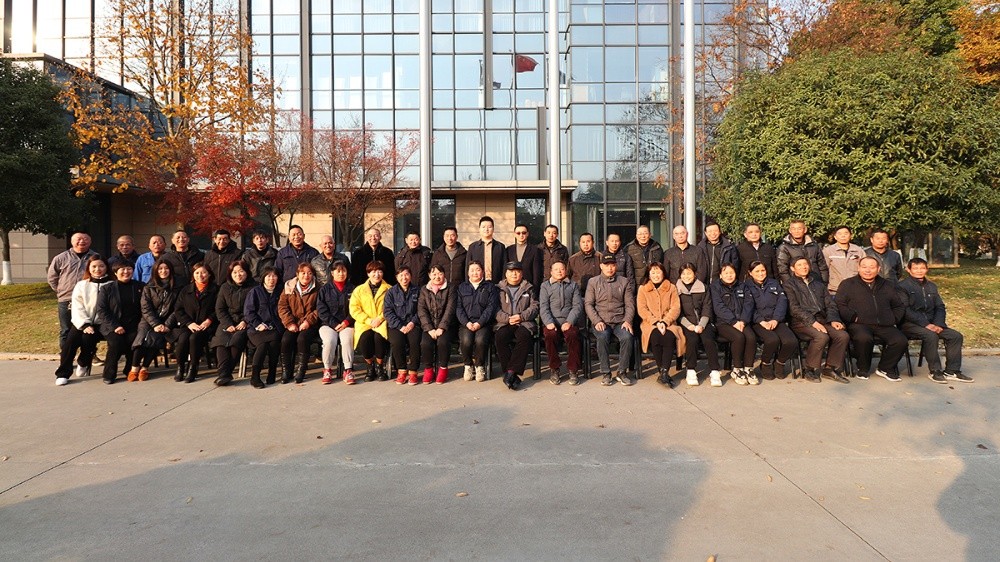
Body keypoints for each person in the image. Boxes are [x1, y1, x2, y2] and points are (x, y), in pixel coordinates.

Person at [898, 258, 971, 383]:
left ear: (927, 269)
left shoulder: (931, 286)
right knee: (930, 335)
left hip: (933, 323)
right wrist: (926, 324)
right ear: (908, 270)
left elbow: (940, 307)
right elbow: (905, 310)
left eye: (922, 268)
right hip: (910, 324)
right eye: (915, 268)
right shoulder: (902, 286)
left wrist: (938, 324)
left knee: (955, 336)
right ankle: (935, 371)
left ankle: (952, 371)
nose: (919, 271)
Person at [836, 256, 907, 381]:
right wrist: (853, 317)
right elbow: (840, 304)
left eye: (872, 267)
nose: (867, 270)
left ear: (878, 269)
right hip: (859, 323)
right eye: (864, 267)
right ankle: (863, 368)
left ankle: (885, 368)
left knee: (900, 340)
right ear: (858, 268)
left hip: (884, 323)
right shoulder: (847, 284)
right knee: (864, 338)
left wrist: (894, 319)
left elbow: (898, 305)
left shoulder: (887, 285)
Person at [784, 257, 850, 383]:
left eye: (805, 264)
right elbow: (794, 308)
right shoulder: (789, 285)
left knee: (842, 336)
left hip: (823, 319)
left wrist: (834, 319)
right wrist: (812, 322)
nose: (804, 267)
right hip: (801, 322)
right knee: (821, 337)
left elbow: (830, 304)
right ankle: (810, 369)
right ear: (792, 268)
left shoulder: (818, 284)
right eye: (799, 265)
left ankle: (829, 368)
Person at [54, 255, 113, 385]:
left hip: (103, 323)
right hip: (82, 321)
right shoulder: (82, 285)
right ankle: (63, 373)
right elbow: (77, 306)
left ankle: (83, 362)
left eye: (101, 266)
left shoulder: (112, 284)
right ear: (88, 268)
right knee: (70, 342)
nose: (97, 269)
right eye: (94, 266)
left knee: (88, 338)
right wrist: (85, 324)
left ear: (106, 268)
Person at [585, 254, 636, 387]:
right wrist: (597, 321)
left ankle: (622, 372)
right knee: (602, 337)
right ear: (601, 266)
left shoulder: (624, 281)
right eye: (606, 265)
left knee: (627, 337)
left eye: (612, 265)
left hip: (620, 321)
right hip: (601, 321)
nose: (610, 268)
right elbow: (588, 304)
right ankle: (606, 373)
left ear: (616, 266)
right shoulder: (593, 282)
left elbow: (630, 304)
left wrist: (627, 320)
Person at [746, 260, 798, 380]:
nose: (761, 273)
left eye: (763, 270)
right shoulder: (746, 286)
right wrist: (761, 321)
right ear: (750, 273)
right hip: (758, 322)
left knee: (791, 341)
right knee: (772, 340)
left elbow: (782, 301)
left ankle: (779, 363)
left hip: (775, 319)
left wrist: (776, 319)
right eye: (757, 271)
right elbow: (748, 307)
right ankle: (766, 363)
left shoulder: (774, 283)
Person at [637, 262, 684, 387]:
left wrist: (665, 321)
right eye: (653, 272)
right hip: (650, 323)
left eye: (658, 272)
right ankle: (662, 371)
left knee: (669, 336)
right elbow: (642, 309)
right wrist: (656, 322)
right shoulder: (643, 288)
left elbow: (675, 308)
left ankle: (664, 372)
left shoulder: (671, 287)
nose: (656, 275)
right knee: (655, 336)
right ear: (648, 274)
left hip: (669, 322)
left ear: (663, 273)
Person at [209, 260, 255, 386]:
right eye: (234, 272)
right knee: (221, 340)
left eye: (241, 271)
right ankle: (224, 374)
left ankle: (225, 373)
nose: (238, 275)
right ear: (230, 274)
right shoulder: (225, 287)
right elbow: (220, 309)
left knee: (237, 340)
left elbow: (256, 308)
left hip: (246, 322)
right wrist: (227, 324)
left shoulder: (254, 287)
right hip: (227, 322)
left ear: (247, 272)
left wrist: (245, 321)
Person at [47, 231, 97, 348]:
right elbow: (52, 277)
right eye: (78, 239)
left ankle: (88, 354)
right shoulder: (61, 258)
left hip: (88, 300)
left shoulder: (95, 258)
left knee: (88, 329)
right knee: (66, 329)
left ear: (90, 242)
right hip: (66, 299)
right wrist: (60, 291)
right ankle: (65, 355)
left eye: (85, 239)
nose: (82, 241)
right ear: (72, 241)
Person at [96, 262, 144, 383]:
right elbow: (101, 310)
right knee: (116, 342)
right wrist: (115, 326)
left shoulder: (140, 286)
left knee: (135, 340)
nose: (126, 272)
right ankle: (109, 374)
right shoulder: (107, 288)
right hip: (112, 325)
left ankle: (129, 370)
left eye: (129, 269)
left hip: (134, 325)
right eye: (122, 269)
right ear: (115, 272)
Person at [711, 263, 758, 386]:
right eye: (726, 273)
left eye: (731, 273)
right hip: (724, 323)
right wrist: (733, 321)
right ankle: (737, 369)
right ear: (720, 275)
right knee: (738, 337)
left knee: (751, 337)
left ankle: (748, 368)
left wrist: (743, 320)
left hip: (742, 321)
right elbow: (718, 307)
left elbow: (749, 304)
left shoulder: (742, 286)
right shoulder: (715, 287)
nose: (729, 275)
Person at [494, 261, 539, 390]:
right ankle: (511, 373)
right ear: (506, 274)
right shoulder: (498, 289)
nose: (514, 274)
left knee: (524, 337)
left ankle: (510, 372)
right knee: (500, 337)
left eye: (517, 271)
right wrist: (507, 319)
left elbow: (535, 307)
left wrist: (521, 316)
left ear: (522, 273)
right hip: (505, 322)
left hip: (524, 322)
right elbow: (494, 308)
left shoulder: (528, 288)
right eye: (511, 271)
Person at [171, 263, 218, 383]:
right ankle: (180, 367)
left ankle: (193, 367)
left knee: (194, 338)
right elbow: (178, 309)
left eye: (203, 272)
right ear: (193, 275)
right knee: (183, 339)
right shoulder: (186, 290)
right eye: (197, 273)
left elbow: (218, 309)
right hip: (188, 325)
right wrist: (188, 323)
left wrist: (209, 320)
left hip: (206, 326)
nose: (200, 275)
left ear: (209, 274)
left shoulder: (215, 290)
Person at [133, 259, 180, 380]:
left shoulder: (177, 288)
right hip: (148, 320)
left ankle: (145, 368)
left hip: (167, 321)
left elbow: (178, 309)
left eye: (166, 268)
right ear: (155, 271)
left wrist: (167, 324)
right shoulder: (149, 287)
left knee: (156, 338)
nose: (163, 271)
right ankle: (134, 367)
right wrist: (155, 324)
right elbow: (145, 308)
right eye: (160, 269)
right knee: (142, 338)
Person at [676, 263, 722, 387]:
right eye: (683, 274)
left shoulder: (703, 287)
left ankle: (715, 370)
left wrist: (701, 325)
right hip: (686, 323)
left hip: (704, 322)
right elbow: (677, 312)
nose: (686, 276)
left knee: (708, 340)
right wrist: (689, 325)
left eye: (689, 273)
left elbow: (707, 308)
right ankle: (691, 369)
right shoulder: (676, 289)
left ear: (695, 274)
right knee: (692, 340)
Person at [539, 261, 583, 385]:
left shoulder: (573, 285)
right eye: (556, 269)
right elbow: (543, 307)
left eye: (562, 269)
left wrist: (569, 321)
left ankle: (573, 370)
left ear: (566, 270)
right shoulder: (545, 286)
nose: (559, 271)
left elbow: (577, 306)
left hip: (568, 321)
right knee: (550, 335)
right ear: (551, 272)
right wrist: (549, 322)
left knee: (573, 335)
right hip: (551, 322)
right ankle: (554, 368)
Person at [456, 261, 499, 382]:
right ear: (468, 273)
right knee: (466, 341)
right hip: (466, 323)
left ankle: (479, 366)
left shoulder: (490, 287)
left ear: (483, 272)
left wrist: (480, 323)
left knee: (480, 340)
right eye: (472, 270)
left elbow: (491, 307)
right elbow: (458, 308)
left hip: (483, 323)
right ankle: (468, 365)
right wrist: (467, 323)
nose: (475, 273)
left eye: (478, 270)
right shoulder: (462, 287)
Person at [277, 262, 320, 384]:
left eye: (309, 273)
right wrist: (290, 323)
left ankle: (301, 370)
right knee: (286, 340)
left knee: (302, 339)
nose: (306, 276)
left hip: (310, 324)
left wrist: (308, 322)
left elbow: (319, 309)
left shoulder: (318, 288)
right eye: (303, 273)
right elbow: (282, 307)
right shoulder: (289, 287)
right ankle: (286, 371)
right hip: (293, 322)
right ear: (297, 274)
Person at [349, 260, 391, 382]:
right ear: (368, 273)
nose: (376, 274)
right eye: (373, 271)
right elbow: (354, 309)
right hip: (364, 322)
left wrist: (380, 318)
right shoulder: (359, 290)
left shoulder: (389, 289)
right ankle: (369, 366)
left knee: (379, 338)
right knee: (365, 338)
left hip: (382, 321)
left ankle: (380, 366)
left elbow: (391, 307)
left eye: (379, 271)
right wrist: (368, 320)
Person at [243, 267, 284, 388]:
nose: (271, 279)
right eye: (268, 276)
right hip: (256, 329)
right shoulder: (255, 292)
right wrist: (258, 324)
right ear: (263, 278)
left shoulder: (281, 291)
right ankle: (255, 376)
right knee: (263, 345)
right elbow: (248, 312)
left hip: (274, 327)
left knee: (274, 342)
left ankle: (272, 372)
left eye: (274, 276)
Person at [317, 260, 356, 384]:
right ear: (332, 273)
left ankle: (348, 370)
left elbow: (356, 309)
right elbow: (321, 310)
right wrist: (334, 324)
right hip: (328, 325)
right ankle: (327, 369)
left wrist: (346, 322)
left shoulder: (353, 289)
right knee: (329, 340)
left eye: (343, 271)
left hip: (347, 324)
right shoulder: (324, 290)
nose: (341, 274)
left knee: (347, 339)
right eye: (338, 271)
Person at [419, 264, 456, 384]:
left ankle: (443, 368)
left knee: (443, 342)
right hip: (429, 326)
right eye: (434, 274)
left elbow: (450, 309)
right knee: (425, 343)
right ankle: (428, 369)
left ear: (444, 274)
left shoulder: (451, 288)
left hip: (446, 326)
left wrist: (442, 327)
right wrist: (429, 328)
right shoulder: (424, 289)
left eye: (440, 273)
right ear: (429, 275)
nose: (437, 276)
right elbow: (422, 310)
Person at [384, 266, 421, 385]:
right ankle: (401, 370)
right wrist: (400, 326)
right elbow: (388, 312)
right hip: (396, 326)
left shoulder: (417, 291)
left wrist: (412, 323)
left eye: (406, 274)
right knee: (397, 342)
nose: (404, 278)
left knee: (415, 341)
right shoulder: (391, 292)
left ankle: (413, 372)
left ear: (410, 276)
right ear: (396, 277)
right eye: (401, 275)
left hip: (413, 324)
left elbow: (421, 310)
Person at [777, 220, 828, 284]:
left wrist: (824, 282)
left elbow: (822, 266)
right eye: (793, 229)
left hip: (816, 282)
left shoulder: (814, 245)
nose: (796, 231)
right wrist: (790, 285)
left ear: (805, 230)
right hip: (796, 284)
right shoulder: (784, 247)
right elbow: (782, 270)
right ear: (790, 230)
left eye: (799, 229)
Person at [822, 225, 865, 294]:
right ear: (835, 237)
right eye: (840, 234)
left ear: (850, 235)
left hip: (855, 288)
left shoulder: (858, 250)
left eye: (846, 233)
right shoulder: (828, 251)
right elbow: (824, 270)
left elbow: (864, 267)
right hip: (835, 289)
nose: (843, 236)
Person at [505, 224, 544, 297]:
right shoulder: (508, 250)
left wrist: (535, 289)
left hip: (528, 286)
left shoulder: (535, 250)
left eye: (524, 233)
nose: (521, 235)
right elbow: (506, 269)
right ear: (514, 234)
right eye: (518, 233)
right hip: (512, 286)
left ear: (527, 234)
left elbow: (537, 272)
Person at [467, 215, 506, 283]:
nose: (486, 229)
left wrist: (503, 283)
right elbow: (467, 268)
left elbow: (504, 266)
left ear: (493, 229)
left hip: (496, 283)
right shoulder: (473, 247)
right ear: (479, 229)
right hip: (478, 284)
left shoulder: (500, 246)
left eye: (489, 227)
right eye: (483, 227)